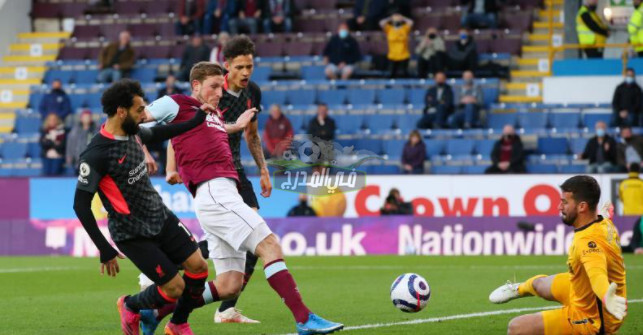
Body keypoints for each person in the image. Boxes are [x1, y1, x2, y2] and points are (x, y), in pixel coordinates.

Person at [140, 61, 344, 335]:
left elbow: (209, 133)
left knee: (228, 285)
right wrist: (144, 152)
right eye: (213, 87)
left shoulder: (209, 114)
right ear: (195, 85)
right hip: (214, 191)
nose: (218, 93)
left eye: (220, 88)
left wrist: (237, 126)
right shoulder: (175, 103)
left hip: (218, 194)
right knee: (270, 245)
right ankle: (304, 319)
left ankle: (156, 312)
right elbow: (132, 121)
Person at [72, 79, 212, 335]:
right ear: (121, 111)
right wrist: (104, 249)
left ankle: (178, 324)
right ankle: (130, 305)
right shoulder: (96, 155)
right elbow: (80, 205)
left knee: (199, 267)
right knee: (175, 288)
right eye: (139, 109)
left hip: (160, 217)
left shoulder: (133, 132)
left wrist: (197, 119)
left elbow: (159, 133)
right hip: (131, 232)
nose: (143, 114)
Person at [489, 175, 627, 335]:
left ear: (582, 207)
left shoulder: (588, 243)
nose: (560, 207)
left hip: (592, 318)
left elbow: (597, 274)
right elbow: (605, 216)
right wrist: (605, 214)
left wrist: (605, 296)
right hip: (582, 291)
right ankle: (518, 289)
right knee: (539, 284)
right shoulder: (602, 221)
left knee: (516, 328)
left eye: (565, 202)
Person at [379, 12, 413, 78]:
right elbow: (381, 23)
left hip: (404, 55)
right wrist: (390, 18)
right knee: (391, 74)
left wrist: (402, 18)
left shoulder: (404, 28)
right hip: (392, 55)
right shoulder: (389, 29)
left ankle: (407, 87)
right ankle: (388, 87)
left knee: (404, 74)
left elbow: (411, 22)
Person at [65, 110, 96, 174]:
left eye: (88, 117)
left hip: (92, 161)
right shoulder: (75, 130)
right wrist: (69, 156)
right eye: (85, 117)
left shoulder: (95, 130)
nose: (86, 119)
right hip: (78, 160)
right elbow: (70, 143)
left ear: (91, 118)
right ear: (81, 118)